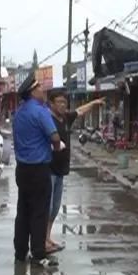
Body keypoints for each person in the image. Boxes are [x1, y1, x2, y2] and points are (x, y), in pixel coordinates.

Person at [46, 92, 105, 253]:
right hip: (48, 169)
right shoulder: (47, 120)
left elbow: (80, 111)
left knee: (55, 207)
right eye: (59, 102)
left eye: (64, 102)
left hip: (60, 170)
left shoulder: (65, 118)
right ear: (51, 103)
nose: (63, 105)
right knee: (47, 207)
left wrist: (94, 102)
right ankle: (42, 240)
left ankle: (47, 237)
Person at [12, 73, 61, 268]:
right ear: (33, 92)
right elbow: (55, 138)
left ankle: (20, 252)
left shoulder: (19, 113)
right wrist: (57, 149)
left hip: (22, 169)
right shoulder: (40, 112)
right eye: (40, 87)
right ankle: (39, 254)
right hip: (39, 169)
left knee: (23, 211)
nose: (44, 90)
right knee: (40, 211)